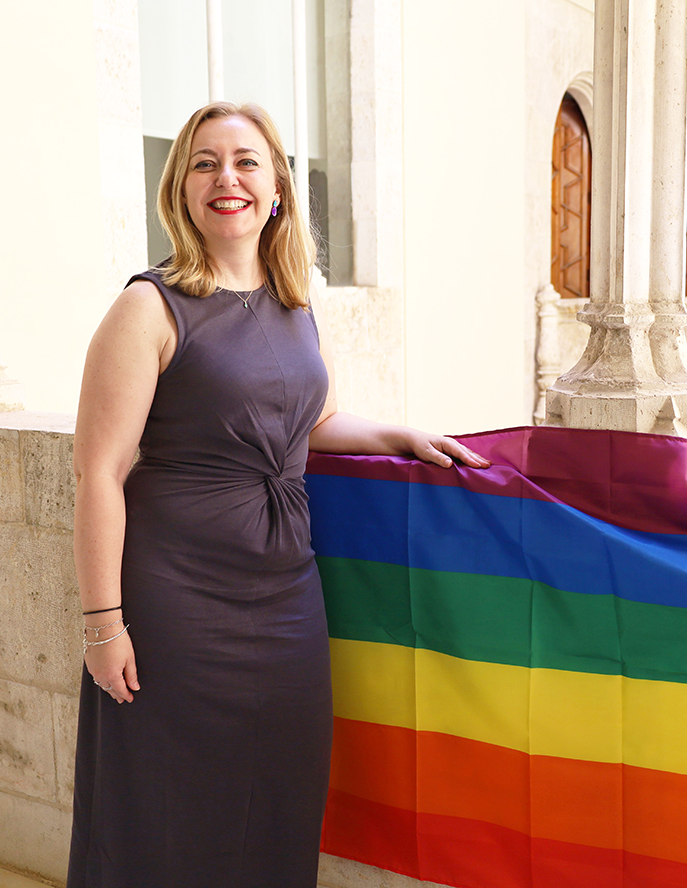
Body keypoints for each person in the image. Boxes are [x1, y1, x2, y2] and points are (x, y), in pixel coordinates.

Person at [67, 101, 489, 888]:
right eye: (204, 163)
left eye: (245, 162)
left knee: (277, 790)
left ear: (277, 189)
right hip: (174, 596)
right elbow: (99, 472)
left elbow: (309, 421)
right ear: (180, 189)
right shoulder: (147, 306)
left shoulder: (294, 302)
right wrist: (102, 626)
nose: (225, 178)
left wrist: (399, 436)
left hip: (285, 590)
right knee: (167, 800)